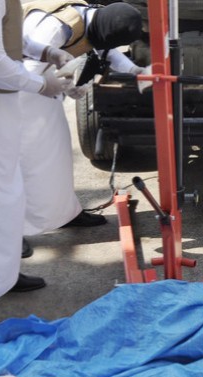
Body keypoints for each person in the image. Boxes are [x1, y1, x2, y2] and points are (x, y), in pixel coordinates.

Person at [0, 0, 72, 337]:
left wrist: (45, 51)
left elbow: (8, 36)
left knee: (5, 199)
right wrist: (41, 84)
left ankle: (1, 277)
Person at [19, 1, 144, 256]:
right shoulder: (55, 27)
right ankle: (12, 232)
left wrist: (134, 70)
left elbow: (106, 49)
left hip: (42, 88)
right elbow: (24, 71)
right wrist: (57, 86)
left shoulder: (93, 18)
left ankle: (65, 213)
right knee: (23, 162)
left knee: (57, 154)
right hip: (18, 93)